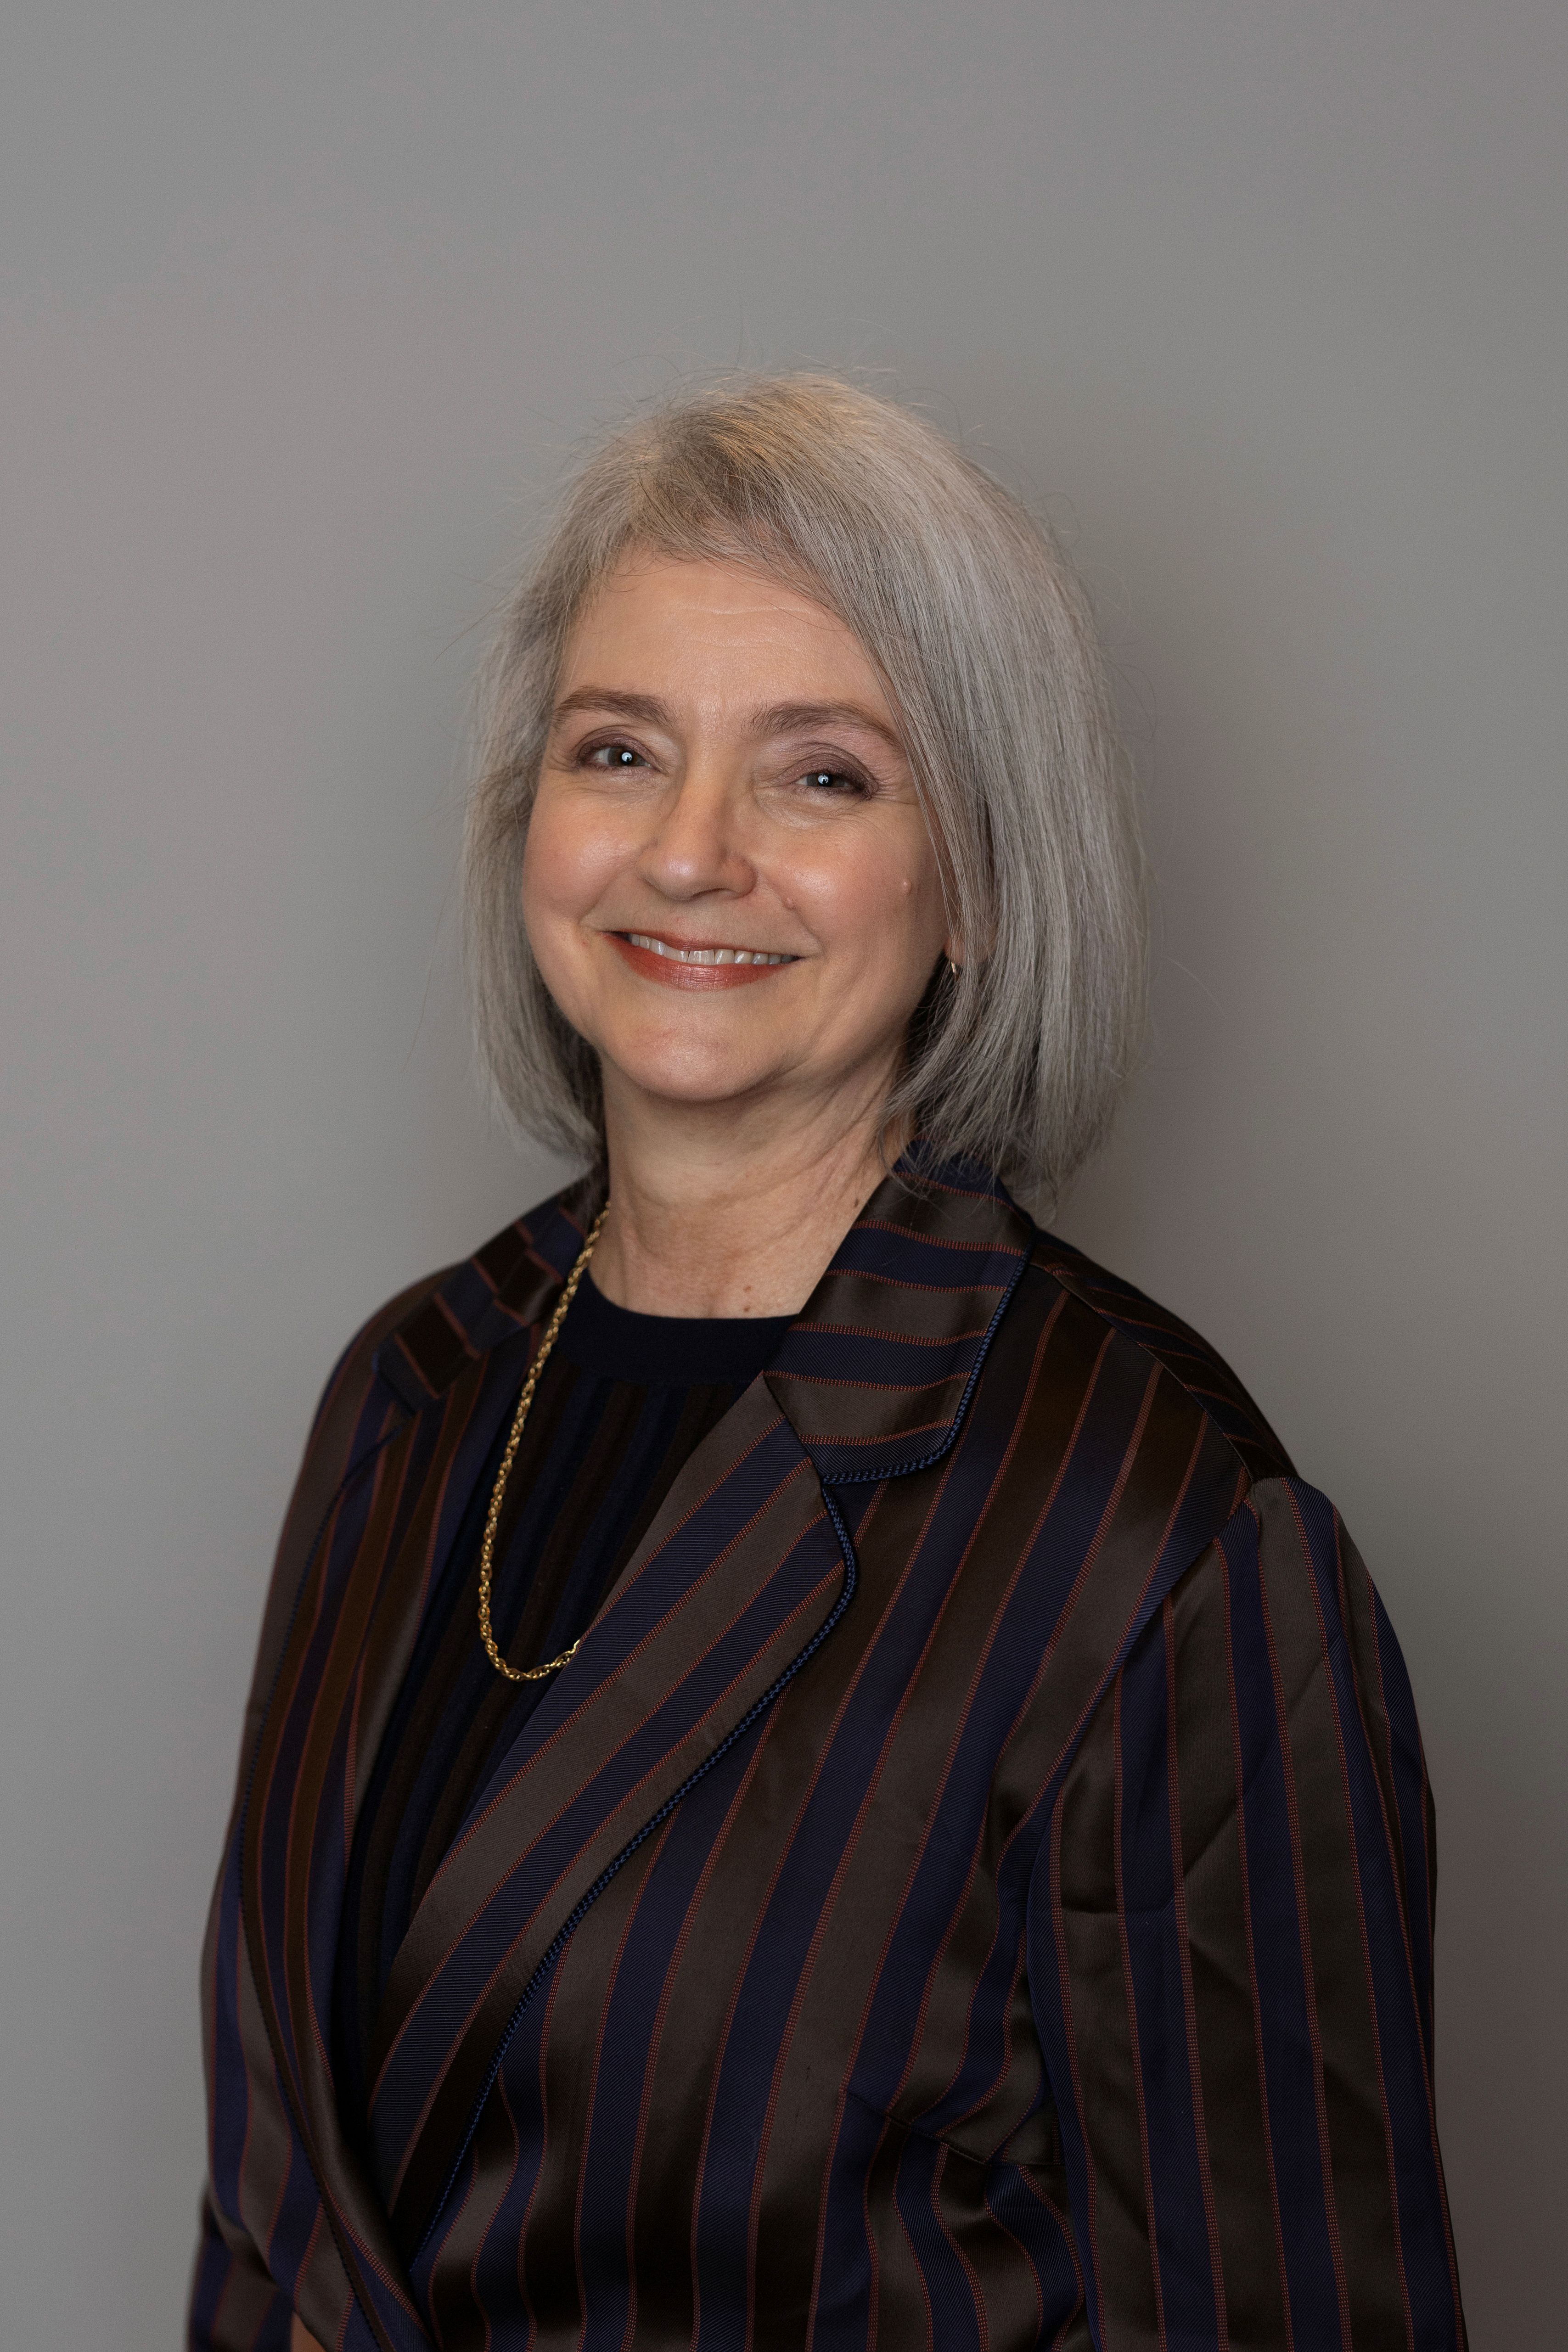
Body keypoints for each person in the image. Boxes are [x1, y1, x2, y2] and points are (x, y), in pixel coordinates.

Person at [189, 376, 1466, 2352]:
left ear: (977, 882)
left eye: (821, 777)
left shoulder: (1161, 1536)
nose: (689, 853)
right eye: (620, 750)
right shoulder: (408, 1395)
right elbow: (278, 2231)